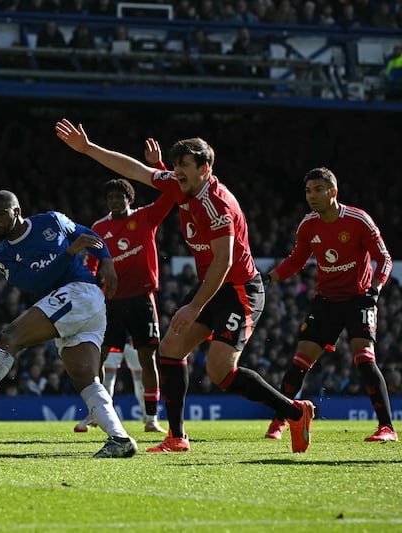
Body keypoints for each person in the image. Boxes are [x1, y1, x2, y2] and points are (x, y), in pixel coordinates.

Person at [55, 118, 315, 453]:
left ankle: (295, 412)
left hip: (238, 289)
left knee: (220, 371)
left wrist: (194, 307)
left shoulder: (219, 204)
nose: (176, 171)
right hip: (212, 285)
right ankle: (176, 437)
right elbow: (135, 171)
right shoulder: (181, 186)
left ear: (206, 168)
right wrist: (88, 148)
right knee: (171, 349)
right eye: (175, 165)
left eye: (184, 166)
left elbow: (223, 261)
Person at [0, 190, 138, 459]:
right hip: (75, 306)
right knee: (85, 378)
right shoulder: (3, 258)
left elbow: (87, 235)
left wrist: (107, 260)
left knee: (9, 337)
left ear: (17, 211)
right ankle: (120, 438)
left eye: (1, 214)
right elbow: (34, 283)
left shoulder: (52, 221)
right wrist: (69, 252)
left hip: (80, 292)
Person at [262, 167, 397, 443]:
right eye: (308, 191)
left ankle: (387, 428)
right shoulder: (308, 225)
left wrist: (375, 290)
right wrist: (268, 278)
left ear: (332, 192)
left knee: (364, 357)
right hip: (326, 301)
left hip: (359, 298)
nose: (311, 196)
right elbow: (297, 260)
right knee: (300, 361)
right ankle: (280, 421)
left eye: (318, 190)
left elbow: (384, 258)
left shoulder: (359, 220)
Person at [74, 140, 174, 435]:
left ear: (129, 198)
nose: (115, 201)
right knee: (100, 356)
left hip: (142, 299)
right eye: (111, 197)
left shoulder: (145, 217)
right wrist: (91, 289)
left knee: (147, 358)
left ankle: (152, 419)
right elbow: (92, 266)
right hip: (111, 302)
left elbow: (170, 195)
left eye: (120, 196)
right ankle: (96, 413)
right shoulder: (99, 228)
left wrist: (158, 167)